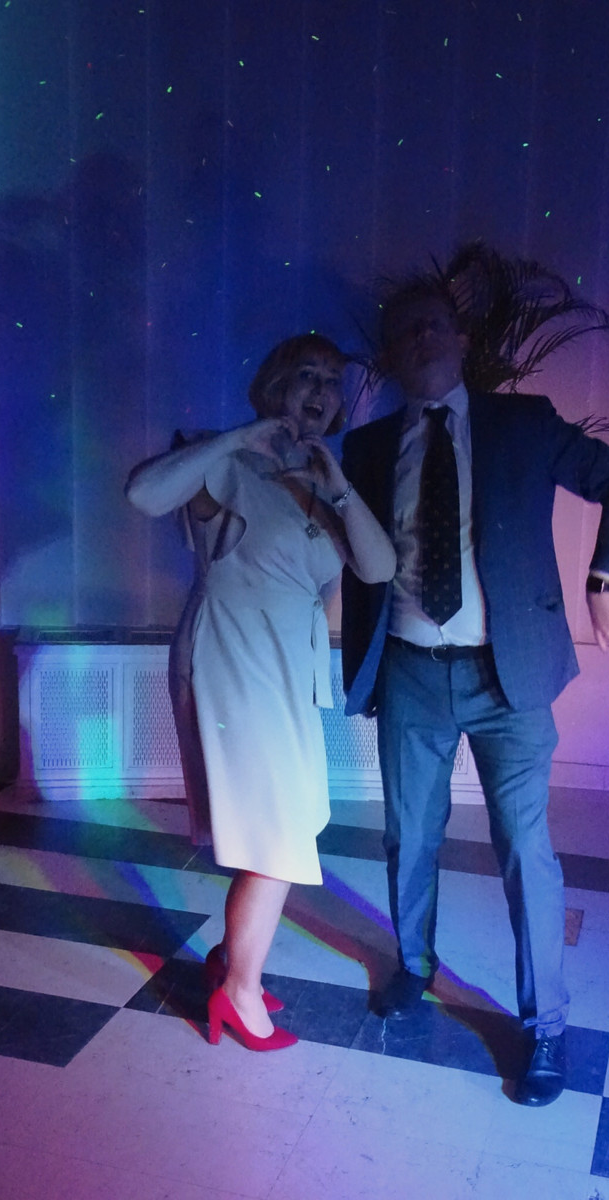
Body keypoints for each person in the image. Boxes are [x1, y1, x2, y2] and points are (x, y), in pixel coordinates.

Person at [340, 279, 609, 1104]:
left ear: (462, 339)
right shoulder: (366, 449)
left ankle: (545, 1024)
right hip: (410, 671)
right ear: (390, 353)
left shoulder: (523, 423)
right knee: (409, 836)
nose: (420, 338)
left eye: (433, 325)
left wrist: (605, 578)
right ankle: (414, 963)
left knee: (525, 848)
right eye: (404, 331)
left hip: (507, 677)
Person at [126, 334, 395, 1052]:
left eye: (332, 380)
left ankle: (231, 961)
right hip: (232, 660)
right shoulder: (229, 463)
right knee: (278, 839)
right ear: (273, 385)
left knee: (291, 821)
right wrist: (238, 436)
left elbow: (377, 568)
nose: (321, 390)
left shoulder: (322, 480)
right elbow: (143, 494)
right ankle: (238, 994)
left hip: (287, 669)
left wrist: (337, 481)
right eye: (306, 374)